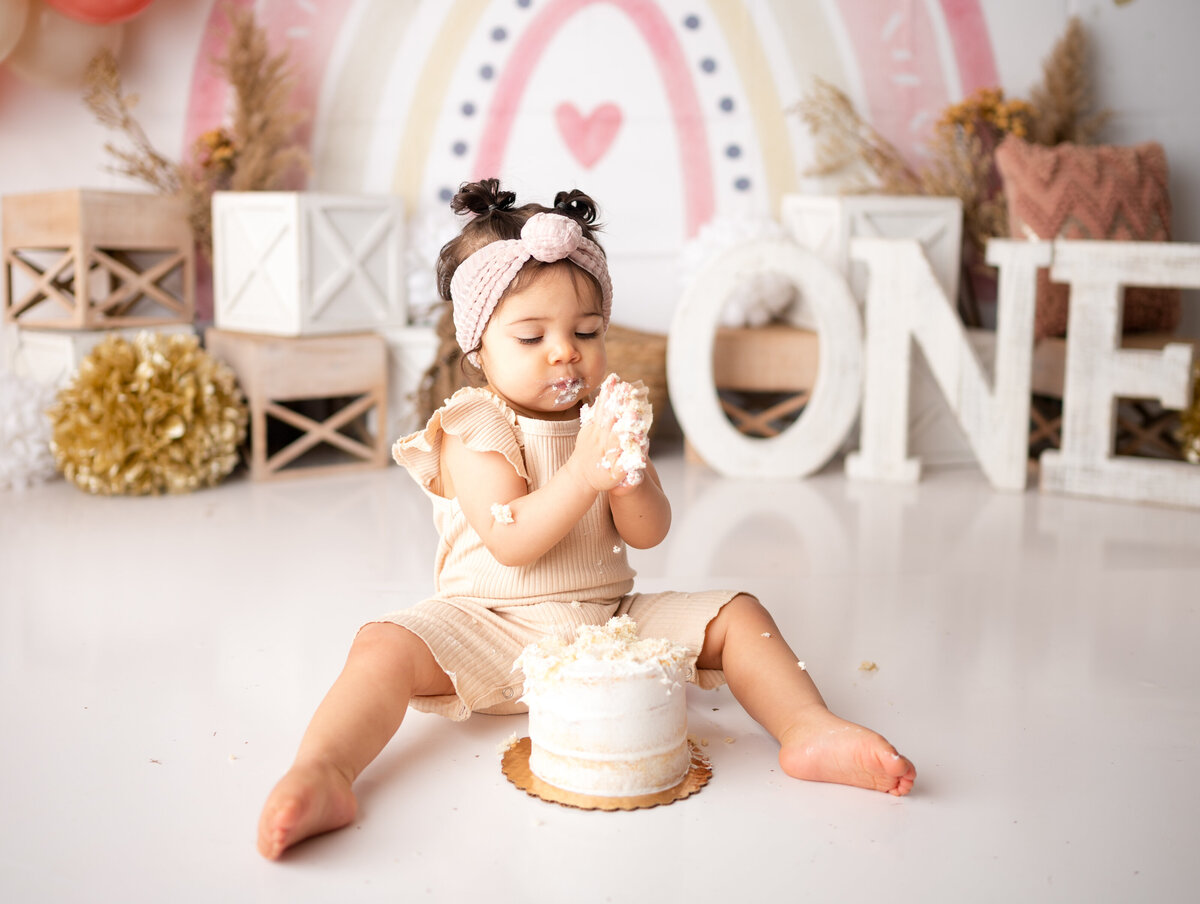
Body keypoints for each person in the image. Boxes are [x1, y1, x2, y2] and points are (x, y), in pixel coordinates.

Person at [256, 180, 915, 860]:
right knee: (381, 646)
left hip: (606, 623)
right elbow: (510, 539)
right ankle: (325, 770)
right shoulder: (472, 422)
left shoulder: (602, 422)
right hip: (487, 625)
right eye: (532, 335)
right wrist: (583, 474)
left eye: (586, 332)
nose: (564, 351)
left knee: (740, 613)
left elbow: (648, 531)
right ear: (479, 349)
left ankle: (808, 727)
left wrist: (625, 470)